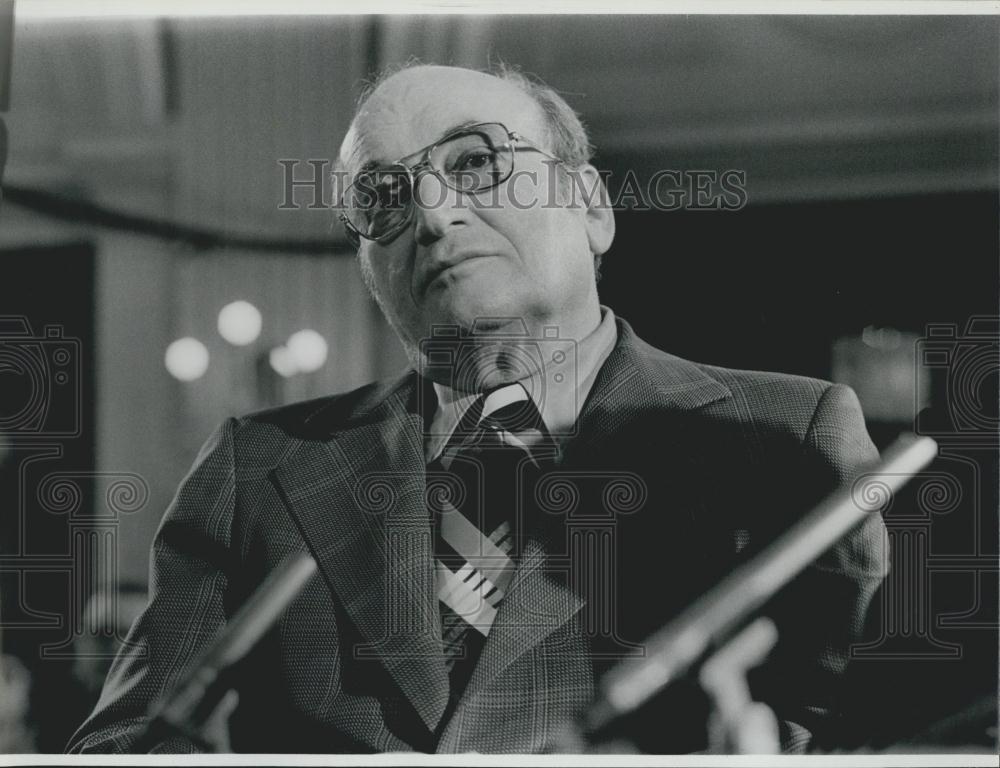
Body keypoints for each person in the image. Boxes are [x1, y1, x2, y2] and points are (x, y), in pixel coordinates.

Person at [66, 63, 888, 754]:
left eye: (474, 162)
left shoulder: (782, 436)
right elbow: (129, 749)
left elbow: (881, 735)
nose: (430, 214)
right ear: (367, 266)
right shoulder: (259, 465)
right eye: (382, 196)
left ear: (591, 206)